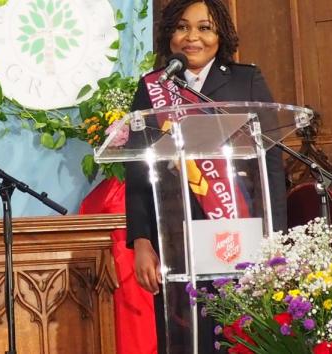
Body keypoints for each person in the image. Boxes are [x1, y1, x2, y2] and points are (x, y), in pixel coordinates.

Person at [125, 0, 288, 352]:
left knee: (243, 335)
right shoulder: (153, 88)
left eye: (204, 27)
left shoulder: (246, 81)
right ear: (170, 35)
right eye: (182, 27)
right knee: (186, 336)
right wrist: (141, 241)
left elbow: (271, 161)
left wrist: (274, 238)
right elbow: (138, 169)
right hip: (174, 237)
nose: (192, 37)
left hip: (241, 229)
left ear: (221, 35)